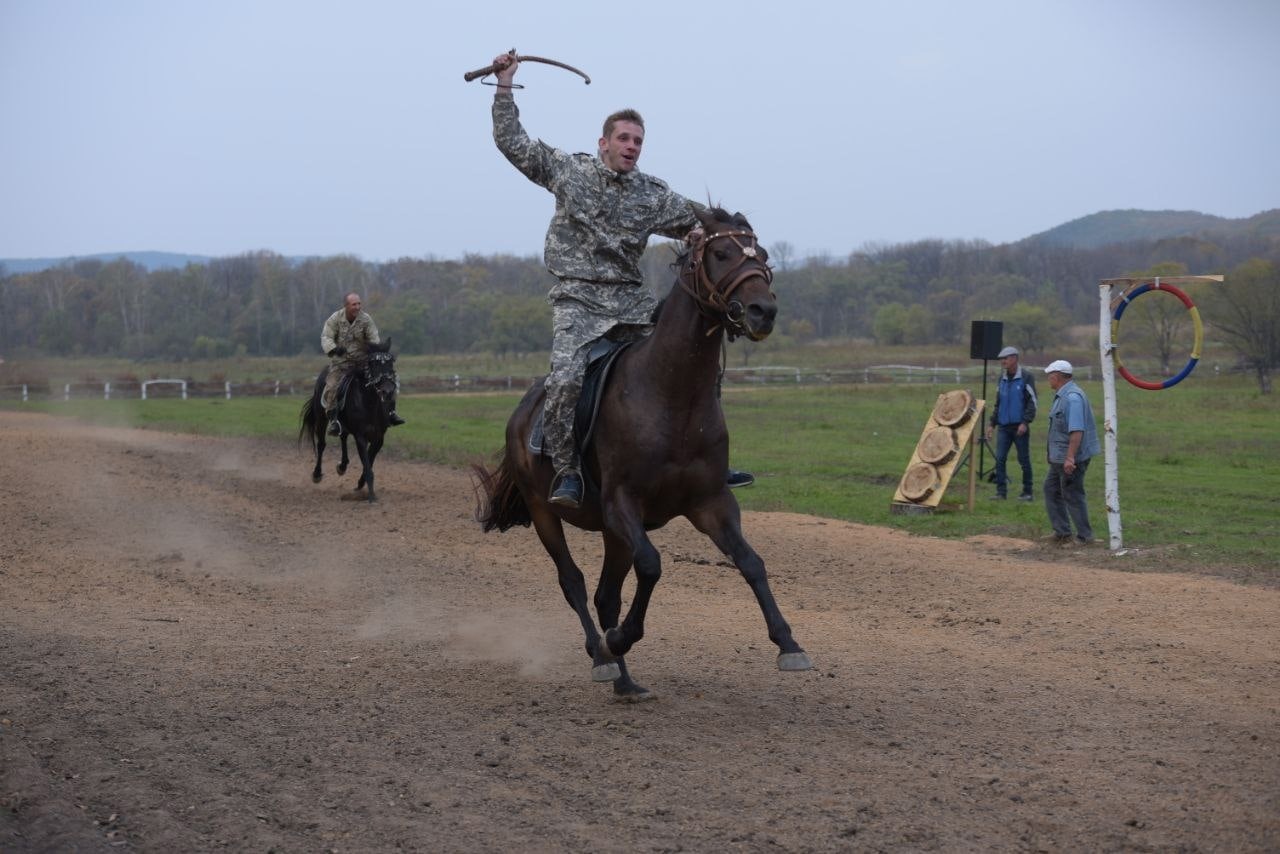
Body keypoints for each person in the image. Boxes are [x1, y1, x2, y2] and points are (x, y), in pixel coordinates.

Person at [487, 51, 751, 508]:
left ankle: (708, 464)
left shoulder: (653, 194)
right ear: (604, 142)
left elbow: (701, 221)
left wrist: (712, 233)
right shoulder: (571, 171)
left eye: (638, 141)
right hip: (579, 299)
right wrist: (506, 85)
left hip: (630, 303)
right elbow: (515, 144)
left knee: (695, 357)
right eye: (624, 138)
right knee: (567, 376)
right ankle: (567, 471)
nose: (631, 146)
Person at [320, 292, 405, 437]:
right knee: (331, 387)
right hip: (341, 364)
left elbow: (374, 338)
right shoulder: (334, 319)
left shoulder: (366, 320)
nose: (357, 307)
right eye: (354, 304)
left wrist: (377, 350)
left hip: (362, 363)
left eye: (359, 304)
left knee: (387, 380)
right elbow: (326, 336)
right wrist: (334, 348)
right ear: (346, 306)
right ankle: (334, 421)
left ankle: (391, 412)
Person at [1042, 360, 1100, 546]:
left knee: (1073, 494)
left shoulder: (1072, 398)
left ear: (1056, 376)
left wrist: (1069, 457)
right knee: (1051, 489)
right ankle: (1062, 532)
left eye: (1050, 376)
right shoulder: (1063, 395)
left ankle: (1085, 537)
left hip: (1071, 458)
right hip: (1059, 457)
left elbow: (1076, 430)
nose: (1048, 379)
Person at [985, 345, 1037, 501]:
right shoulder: (1002, 379)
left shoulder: (1027, 377)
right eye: (1001, 359)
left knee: (1023, 460)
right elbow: (998, 403)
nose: (1002, 361)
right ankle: (1001, 493)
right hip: (1003, 427)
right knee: (1000, 459)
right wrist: (991, 424)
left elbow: (1032, 403)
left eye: (1005, 358)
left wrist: (1025, 422)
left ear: (1014, 359)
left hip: (1020, 427)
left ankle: (1027, 493)